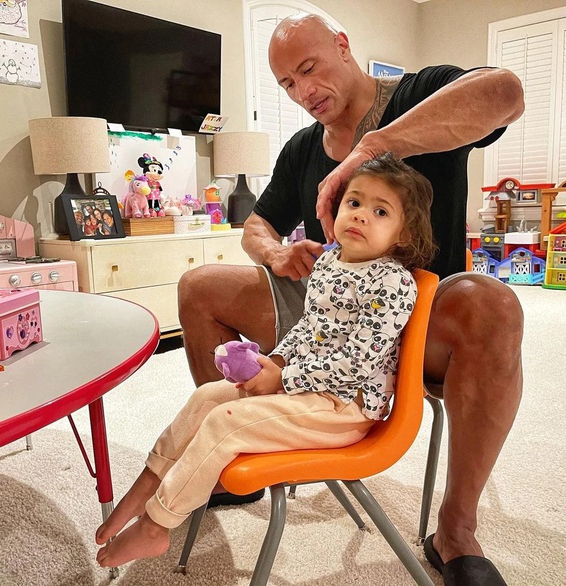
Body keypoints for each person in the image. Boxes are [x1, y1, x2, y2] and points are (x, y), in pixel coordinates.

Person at [177, 13, 525, 586]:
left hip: (418, 324)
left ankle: (456, 530)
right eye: (288, 84)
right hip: (324, 322)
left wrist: (376, 145)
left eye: (309, 69)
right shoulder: (301, 148)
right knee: (199, 287)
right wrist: (275, 253)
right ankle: (234, 453)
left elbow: (505, 92)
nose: (303, 92)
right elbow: (256, 226)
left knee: (492, 302)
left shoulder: (419, 92)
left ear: (342, 47)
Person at [95, 154, 437, 568]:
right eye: (354, 202)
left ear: (404, 233)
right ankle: (150, 482)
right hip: (308, 390)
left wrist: (282, 379)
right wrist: (273, 359)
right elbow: (311, 326)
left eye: (380, 211)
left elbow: (356, 363)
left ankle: (156, 526)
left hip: (344, 407)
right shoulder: (330, 262)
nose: (361, 216)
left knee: (226, 421)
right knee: (208, 398)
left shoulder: (394, 282)